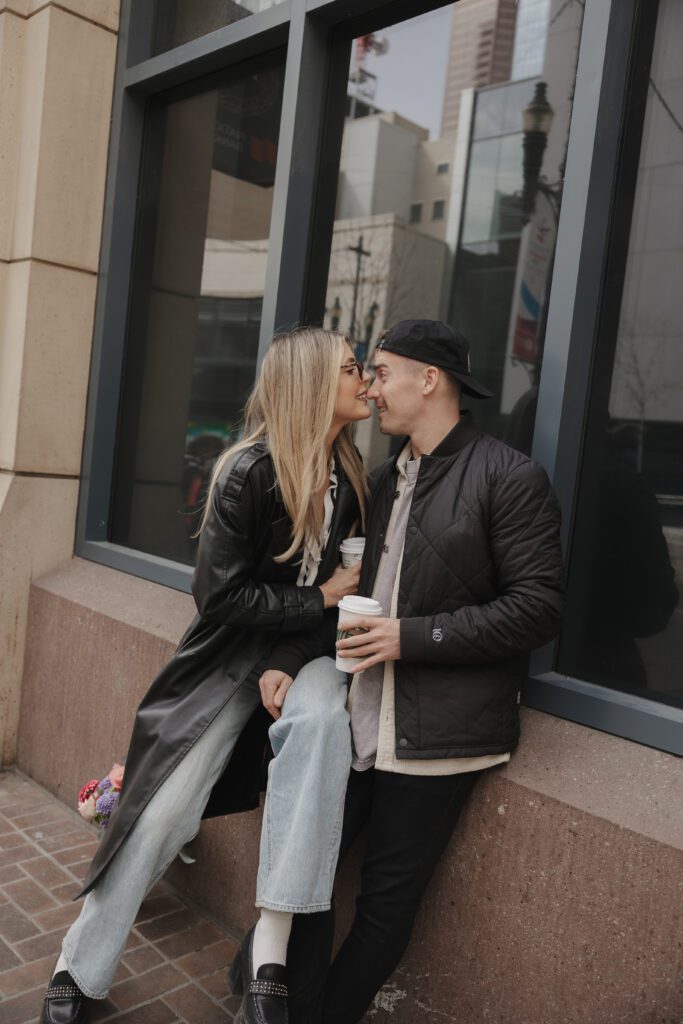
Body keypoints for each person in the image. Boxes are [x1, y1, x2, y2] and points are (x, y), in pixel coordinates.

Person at [41, 328, 372, 1024]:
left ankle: (268, 964)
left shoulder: (353, 480)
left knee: (321, 727)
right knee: (161, 815)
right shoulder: (247, 471)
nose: (363, 376)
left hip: (305, 655)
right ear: (312, 384)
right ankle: (78, 968)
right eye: (349, 367)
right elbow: (219, 598)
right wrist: (319, 598)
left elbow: (340, 602)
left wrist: (296, 647)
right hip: (226, 658)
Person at [286, 319, 566, 1024]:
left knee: (384, 903)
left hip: (440, 737)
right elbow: (329, 587)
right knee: (309, 878)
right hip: (354, 721)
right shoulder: (380, 479)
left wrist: (409, 637)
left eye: (380, 373)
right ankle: (289, 1003)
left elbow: (535, 610)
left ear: (428, 380)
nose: (372, 389)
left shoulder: (510, 476)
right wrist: (286, 659)